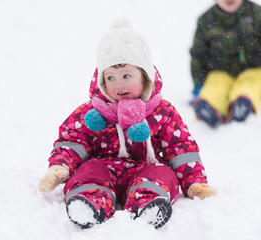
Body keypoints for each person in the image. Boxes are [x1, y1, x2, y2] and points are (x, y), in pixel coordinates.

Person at [38, 19, 217, 229]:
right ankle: (90, 202)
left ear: (146, 77)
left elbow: (180, 147)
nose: (118, 84)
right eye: (110, 78)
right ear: (101, 81)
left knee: (162, 174)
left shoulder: (162, 112)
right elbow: (72, 139)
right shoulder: (93, 112)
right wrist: (60, 166)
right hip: (104, 166)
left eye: (126, 75)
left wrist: (194, 181)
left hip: (148, 167)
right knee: (88, 171)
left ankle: (148, 203)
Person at [190, 0, 261, 128]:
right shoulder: (206, 20)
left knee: (252, 82)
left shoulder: (257, 14)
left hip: (253, 68)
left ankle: (242, 103)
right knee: (215, 84)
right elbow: (198, 55)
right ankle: (209, 106)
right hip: (220, 70)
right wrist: (199, 84)